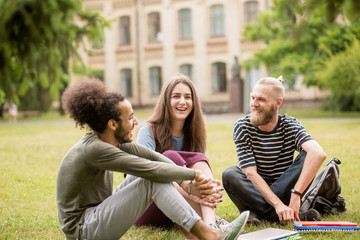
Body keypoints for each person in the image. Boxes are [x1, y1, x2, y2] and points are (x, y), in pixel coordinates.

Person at [56, 78, 249, 240]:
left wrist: (190, 180)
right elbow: (150, 169)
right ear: (113, 124)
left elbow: (153, 157)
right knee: (151, 178)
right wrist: (191, 178)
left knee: (154, 173)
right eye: (130, 117)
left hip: (98, 213)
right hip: (83, 231)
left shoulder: (112, 140)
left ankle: (209, 226)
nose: (136, 122)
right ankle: (209, 234)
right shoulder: (95, 149)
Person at [134, 73, 231, 239]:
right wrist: (196, 193)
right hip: (147, 206)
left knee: (199, 161)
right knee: (170, 156)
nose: (182, 102)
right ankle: (212, 225)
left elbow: (202, 174)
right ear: (166, 101)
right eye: (176, 96)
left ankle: (210, 225)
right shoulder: (148, 131)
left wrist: (210, 189)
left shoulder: (194, 133)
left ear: (193, 103)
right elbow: (145, 178)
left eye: (188, 97)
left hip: (180, 209)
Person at [222, 76, 327, 225]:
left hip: (286, 191)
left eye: (261, 100)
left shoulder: (290, 125)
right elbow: (250, 173)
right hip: (256, 191)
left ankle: (254, 213)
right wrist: (278, 205)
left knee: (308, 156)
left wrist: (296, 195)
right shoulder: (242, 126)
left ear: (278, 103)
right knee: (230, 174)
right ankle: (283, 213)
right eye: (252, 98)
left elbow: (318, 153)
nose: (254, 104)